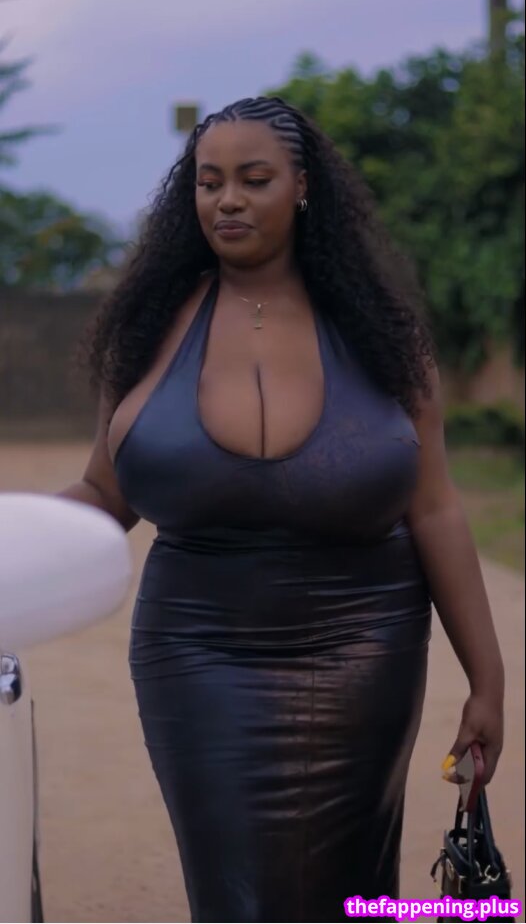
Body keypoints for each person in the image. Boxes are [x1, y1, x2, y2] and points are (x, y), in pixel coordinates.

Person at [59, 96, 505, 923]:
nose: (227, 200)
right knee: (239, 893)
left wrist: (488, 678)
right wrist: (20, 536)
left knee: (345, 887)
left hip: (364, 651)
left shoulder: (385, 335)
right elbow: (103, 492)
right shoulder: (144, 328)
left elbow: (435, 507)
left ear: (302, 186)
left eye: (253, 179)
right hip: (195, 654)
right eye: (209, 182)